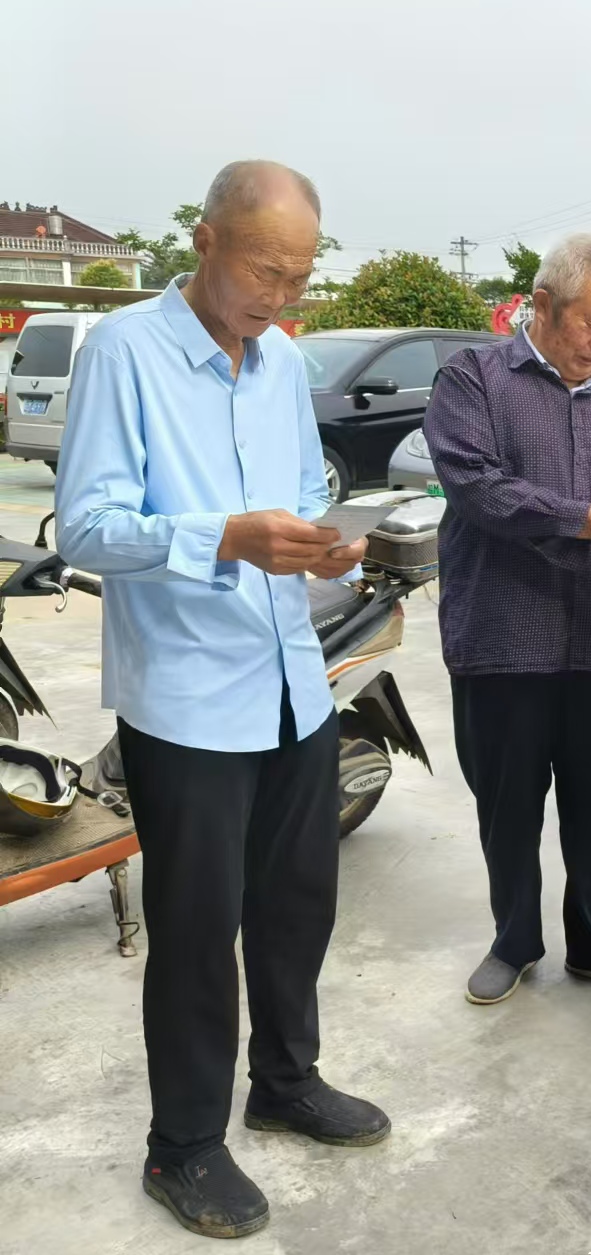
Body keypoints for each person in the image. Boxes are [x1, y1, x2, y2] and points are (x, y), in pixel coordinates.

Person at [56, 161, 388, 1240]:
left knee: (297, 903)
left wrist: (315, 540)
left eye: (298, 279)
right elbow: (88, 527)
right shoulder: (124, 352)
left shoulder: (281, 360)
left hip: (289, 676)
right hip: (188, 698)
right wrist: (224, 538)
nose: (280, 298)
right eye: (263, 272)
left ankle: (285, 1081)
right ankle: (184, 1144)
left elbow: (295, 493)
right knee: (199, 929)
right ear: (204, 242)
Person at [425, 233, 591, 1009]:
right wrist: (584, 520)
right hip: (504, 634)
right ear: (542, 304)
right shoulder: (472, 379)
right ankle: (513, 939)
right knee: (508, 805)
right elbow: (477, 487)